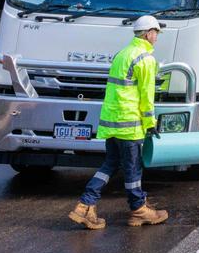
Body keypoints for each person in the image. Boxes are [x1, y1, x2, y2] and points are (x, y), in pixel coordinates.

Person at [68, 16, 169, 229]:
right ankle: (138, 209)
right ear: (148, 33)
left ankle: (85, 205)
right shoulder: (146, 59)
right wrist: (150, 123)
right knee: (133, 169)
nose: (157, 38)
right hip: (129, 124)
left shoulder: (122, 54)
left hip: (112, 122)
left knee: (110, 164)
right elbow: (146, 95)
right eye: (156, 33)